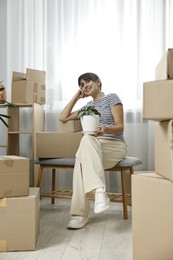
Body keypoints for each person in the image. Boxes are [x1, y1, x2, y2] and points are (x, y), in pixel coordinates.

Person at [59, 72, 127, 229]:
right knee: (86, 142)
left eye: (88, 81)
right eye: (81, 85)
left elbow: (120, 127)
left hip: (113, 145)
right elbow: (63, 118)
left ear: (98, 81)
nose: (85, 86)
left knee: (81, 157)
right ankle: (100, 191)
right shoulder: (87, 107)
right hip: (92, 146)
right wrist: (77, 96)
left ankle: (79, 214)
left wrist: (105, 129)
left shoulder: (112, 98)